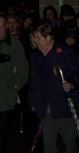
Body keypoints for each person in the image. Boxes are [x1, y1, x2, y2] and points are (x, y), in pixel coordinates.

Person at [29, 19, 79, 153]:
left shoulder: (64, 52)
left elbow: (77, 72)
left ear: (48, 38)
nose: (35, 41)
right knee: (49, 143)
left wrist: (71, 84)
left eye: (38, 38)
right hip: (46, 106)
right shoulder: (35, 55)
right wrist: (33, 101)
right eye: (34, 37)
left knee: (69, 141)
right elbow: (33, 80)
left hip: (64, 106)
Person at [0, 14, 29, 153]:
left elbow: (23, 69)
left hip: (5, 96)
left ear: (6, 27)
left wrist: (13, 87)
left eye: (1, 28)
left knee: (2, 132)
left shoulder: (14, 44)